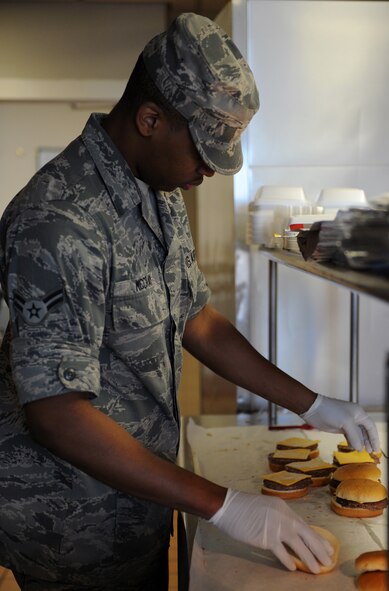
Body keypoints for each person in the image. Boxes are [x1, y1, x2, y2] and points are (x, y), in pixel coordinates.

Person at [0, 12, 380, 591]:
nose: (207, 172)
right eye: (203, 154)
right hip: (72, 525)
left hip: (143, 501)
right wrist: (227, 506)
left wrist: (313, 403)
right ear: (150, 119)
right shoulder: (58, 220)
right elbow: (56, 413)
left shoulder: (157, 189)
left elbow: (195, 318)